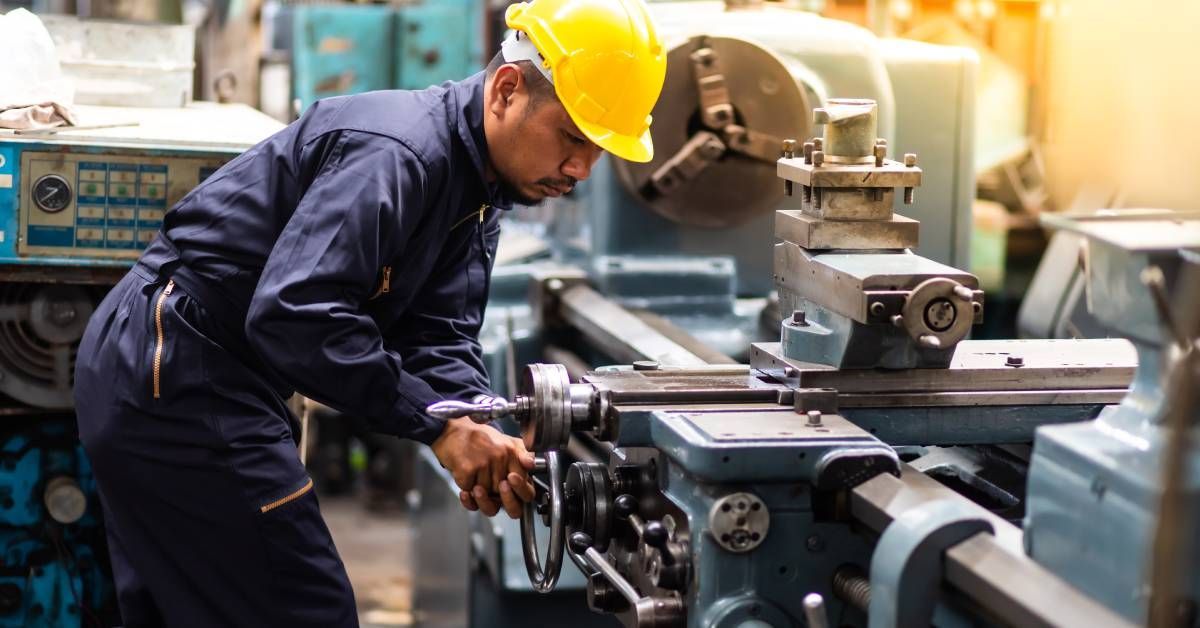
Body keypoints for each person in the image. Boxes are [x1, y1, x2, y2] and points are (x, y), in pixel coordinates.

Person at [72, 0, 666, 625]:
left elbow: (438, 330)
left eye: (598, 149)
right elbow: (295, 313)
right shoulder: (401, 154)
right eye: (572, 137)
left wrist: (473, 421)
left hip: (193, 370)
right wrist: (437, 428)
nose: (580, 168)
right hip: (176, 362)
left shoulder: (479, 190)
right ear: (507, 89)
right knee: (304, 607)